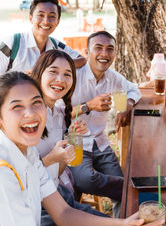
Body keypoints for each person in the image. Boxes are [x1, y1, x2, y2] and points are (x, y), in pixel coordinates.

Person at [0, 71, 166, 226]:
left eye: (36, 103)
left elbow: (63, 213)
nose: (30, 114)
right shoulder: (1, 171)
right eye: (17, 106)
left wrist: (124, 224)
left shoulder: (26, 151)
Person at [0, 0, 86, 155]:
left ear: (57, 21)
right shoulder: (11, 43)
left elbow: (82, 59)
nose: (45, 21)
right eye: (40, 15)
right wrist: (20, 77)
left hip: (28, 120)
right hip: (0, 120)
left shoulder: (56, 47)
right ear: (30, 18)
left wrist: (54, 66)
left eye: (52, 16)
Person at [31, 50, 108, 225]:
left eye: (67, 74)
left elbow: (56, 172)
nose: (60, 79)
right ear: (39, 72)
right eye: (53, 71)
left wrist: (70, 138)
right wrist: (52, 158)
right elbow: (19, 179)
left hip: (57, 193)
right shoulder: (28, 116)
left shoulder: (58, 111)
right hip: (34, 206)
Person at [69, 31, 142, 217]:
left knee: (125, 197)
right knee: (85, 180)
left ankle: (122, 212)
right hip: (74, 141)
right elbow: (59, 113)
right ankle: (127, 186)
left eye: (110, 49)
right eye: (98, 48)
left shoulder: (113, 77)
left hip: (100, 143)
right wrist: (89, 106)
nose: (104, 54)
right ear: (87, 52)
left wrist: (127, 106)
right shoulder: (72, 77)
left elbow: (134, 90)